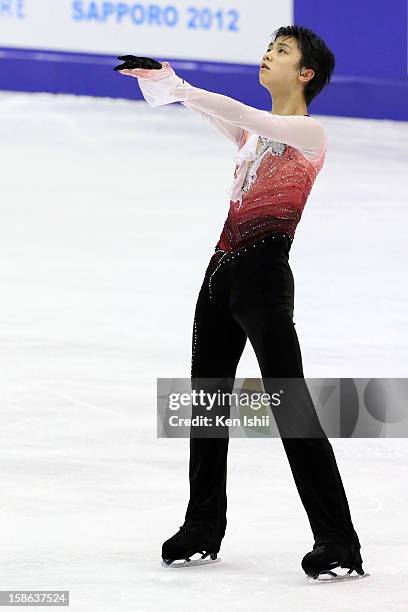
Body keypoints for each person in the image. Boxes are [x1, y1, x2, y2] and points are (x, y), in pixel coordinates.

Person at [117, 24, 368, 581]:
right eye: (269, 48)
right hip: (219, 275)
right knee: (206, 403)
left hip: (262, 279)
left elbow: (245, 115)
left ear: (305, 73)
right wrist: (166, 85)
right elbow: (230, 120)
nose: (267, 56)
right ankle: (203, 525)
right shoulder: (256, 135)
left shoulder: (309, 133)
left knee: (291, 408)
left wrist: (179, 85)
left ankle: (338, 540)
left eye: (281, 52)